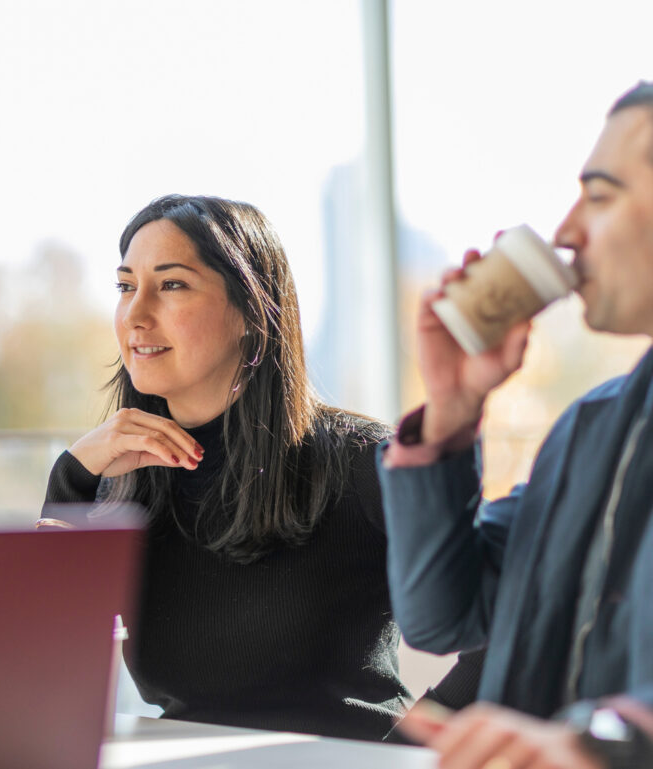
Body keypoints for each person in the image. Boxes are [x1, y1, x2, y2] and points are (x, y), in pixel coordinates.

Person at [44, 194, 479, 741]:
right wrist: (74, 477)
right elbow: (40, 661)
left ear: (251, 312)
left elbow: (506, 625)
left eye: (171, 284)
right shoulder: (119, 477)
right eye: (126, 286)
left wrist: (411, 751)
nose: (135, 314)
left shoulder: (365, 459)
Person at [378, 81, 653, 768]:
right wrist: (451, 414)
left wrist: (604, 742)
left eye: (599, 194)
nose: (565, 232)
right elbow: (442, 617)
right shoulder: (591, 430)